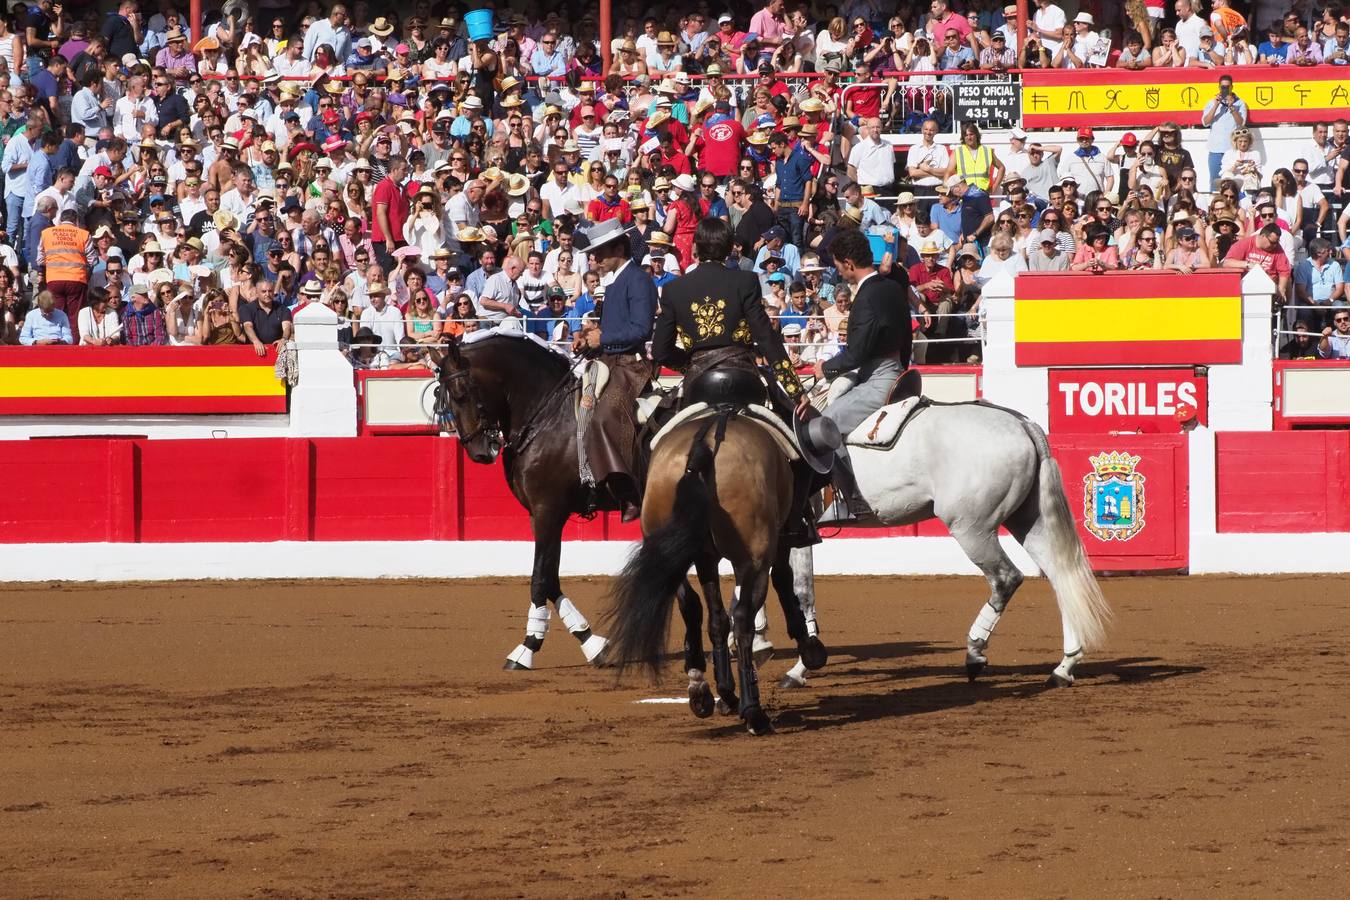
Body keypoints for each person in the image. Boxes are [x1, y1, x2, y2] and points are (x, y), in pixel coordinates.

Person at [651, 217, 813, 543]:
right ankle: (796, 521)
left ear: (695, 249)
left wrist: (693, 364)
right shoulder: (746, 281)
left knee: (649, 441)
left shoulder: (673, 289)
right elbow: (767, 341)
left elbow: (660, 350)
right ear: (730, 250)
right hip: (745, 383)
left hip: (698, 386)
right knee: (802, 445)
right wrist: (795, 393)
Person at [808, 229, 912, 523]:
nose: (838, 271)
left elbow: (855, 355)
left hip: (878, 376)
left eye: (839, 265)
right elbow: (905, 336)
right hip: (897, 370)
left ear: (849, 263)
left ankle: (854, 500)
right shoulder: (891, 286)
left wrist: (824, 368)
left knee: (823, 424)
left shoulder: (866, 297)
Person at [571, 218, 657, 521]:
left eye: (602, 251)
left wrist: (602, 337)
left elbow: (641, 329)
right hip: (607, 361)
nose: (595, 258)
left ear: (620, 248)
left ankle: (628, 492)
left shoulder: (638, 279)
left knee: (604, 415)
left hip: (631, 366)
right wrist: (587, 340)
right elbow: (613, 330)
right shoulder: (617, 280)